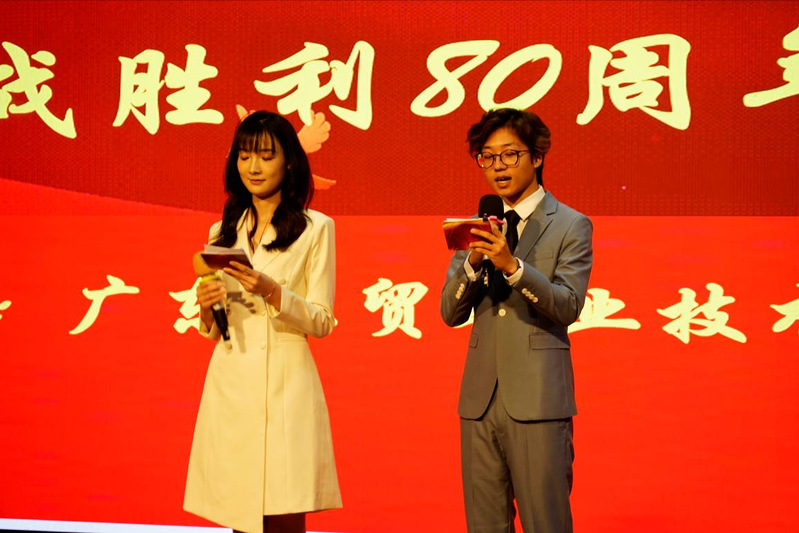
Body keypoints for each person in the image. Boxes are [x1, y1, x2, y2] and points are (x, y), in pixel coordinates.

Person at [184, 111, 341, 533]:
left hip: (286, 384)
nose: (253, 167)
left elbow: (322, 320)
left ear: (289, 162)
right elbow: (217, 328)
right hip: (232, 382)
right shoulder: (221, 231)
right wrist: (206, 306)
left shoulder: (315, 228)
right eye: (244, 156)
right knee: (239, 511)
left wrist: (273, 291)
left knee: (283, 512)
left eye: (266, 156)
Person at [440, 108, 593, 533]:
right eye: (487, 157)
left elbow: (568, 305)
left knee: (546, 522)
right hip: (479, 402)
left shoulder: (571, 224)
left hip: (538, 400)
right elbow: (449, 313)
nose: (498, 166)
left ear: (537, 156)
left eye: (510, 154)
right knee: (484, 525)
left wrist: (513, 267)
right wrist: (473, 262)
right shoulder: (477, 227)